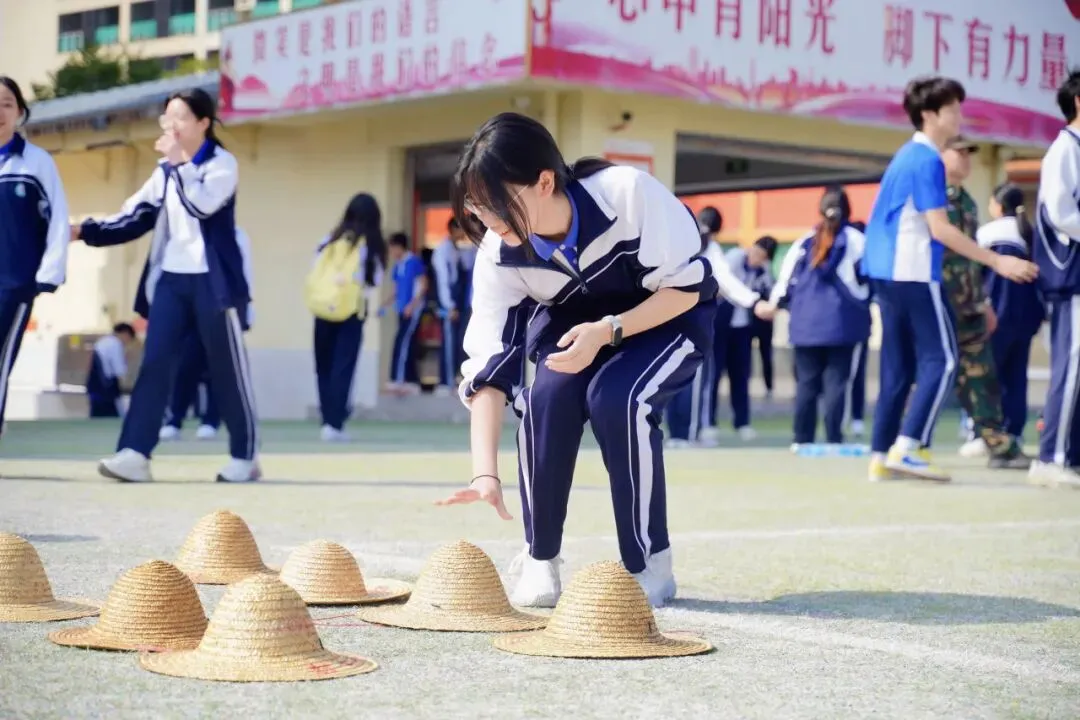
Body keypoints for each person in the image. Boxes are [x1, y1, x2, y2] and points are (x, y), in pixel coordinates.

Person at [436, 112, 720, 608]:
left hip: (666, 318)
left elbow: (686, 287)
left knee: (619, 399)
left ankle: (651, 564)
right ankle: (539, 557)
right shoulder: (498, 253)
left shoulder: (629, 194)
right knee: (545, 396)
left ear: (543, 182)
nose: (486, 219)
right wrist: (485, 474)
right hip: (572, 329)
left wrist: (610, 329)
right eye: (477, 208)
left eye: (495, 204)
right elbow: (489, 365)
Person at [75, 88, 261, 483]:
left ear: (203, 123)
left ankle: (245, 455)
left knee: (226, 368)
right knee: (155, 363)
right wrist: (82, 230)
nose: (170, 126)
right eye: (167, 118)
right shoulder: (165, 171)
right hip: (172, 282)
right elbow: (134, 216)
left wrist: (178, 163)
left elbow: (200, 206)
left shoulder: (221, 165)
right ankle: (135, 453)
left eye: (179, 118)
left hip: (215, 282)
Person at [862, 76, 1037, 484]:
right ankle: (910, 448)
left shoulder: (905, 155)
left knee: (899, 368)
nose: (959, 117)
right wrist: (997, 262)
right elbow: (940, 229)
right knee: (942, 359)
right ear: (929, 115)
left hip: (887, 273)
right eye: (953, 109)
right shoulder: (926, 159)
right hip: (913, 271)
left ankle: (881, 455)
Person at [940, 136, 1030, 469]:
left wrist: (984, 302)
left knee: (983, 375)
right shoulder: (930, 195)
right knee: (925, 371)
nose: (966, 159)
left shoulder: (966, 201)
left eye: (969, 154)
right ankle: (905, 442)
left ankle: (997, 443)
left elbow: (971, 262)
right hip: (936, 299)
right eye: (959, 153)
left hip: (969, 304)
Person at [770, 187, 870, 447]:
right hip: (844, 322)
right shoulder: (858, 240)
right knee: (837, 383)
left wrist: (775, 306)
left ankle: (801, 439)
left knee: (806, 384)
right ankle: (834, 438)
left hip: (805, 323)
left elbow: (784, 284)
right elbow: (870, 279)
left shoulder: (804, 241)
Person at [0, 77, 70, 441]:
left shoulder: (36, 163)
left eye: (7, 103)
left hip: (13, 283)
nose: (0, 111)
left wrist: (49, 272)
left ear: (20, 113)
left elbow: (58, 218)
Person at [666, 208, 771, 448]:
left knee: (671, 376)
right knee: (695, 378)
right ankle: (688, 434)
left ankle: (676, 433)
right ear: (717, 231)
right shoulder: (711, 250)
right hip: (694, 319)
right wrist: (754, 302)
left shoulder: (674, 239)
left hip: (665, 317)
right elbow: (727, 281)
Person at [1030, 70, 1080, 488]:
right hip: (1073, 277)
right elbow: (1060, 212)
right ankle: (1052, 457)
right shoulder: (1064, 149)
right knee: (1072, 363)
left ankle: (1070, 454)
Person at [160, 226, 254, 440]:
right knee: (185, 365)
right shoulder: (184, 232)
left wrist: (247, 307)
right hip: (190, 306)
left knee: (219, 366)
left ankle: (211, 419)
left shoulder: (237, 235)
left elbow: (245, 271)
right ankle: (175, 418)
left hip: (222, 305)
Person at [308, 193, 386, 442]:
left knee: (324, 367)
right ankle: (335, 424)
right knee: (343, 367)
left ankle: (326, 418)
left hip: (323, 309)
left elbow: (314, 271)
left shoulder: (329, 240)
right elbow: (375, 283)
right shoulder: (370, 246)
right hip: (351, 312)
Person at [977, 183, 1045, 445]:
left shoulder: (987, 233)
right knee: (1016, 378)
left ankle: (985, 434)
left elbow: (977, 276)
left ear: (997, 204)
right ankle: (1013, 433)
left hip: (995, 315)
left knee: (989, 376)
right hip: (1025, 319)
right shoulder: (1030, 234)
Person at [701, 235, 777, 443]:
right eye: (755, 252)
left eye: (761, 257)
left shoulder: (763, 270)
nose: (755, 258)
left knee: (741, 375)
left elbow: (768, 291)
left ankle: (742, 422)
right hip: (720, 324)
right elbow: (723, 284)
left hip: (742, 328)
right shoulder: (734, 258)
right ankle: (709, 422)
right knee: (714, 375)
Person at [385, 232, 427, 395]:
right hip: (401, 310)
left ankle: (399, 379)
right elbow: (396, 289)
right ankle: (410, 380)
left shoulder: (414, 262)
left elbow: (422, 285)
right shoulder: (398, 265)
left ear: (399, 247)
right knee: (405, 343)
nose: (391, 253)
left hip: (412, 311)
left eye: (392, 248)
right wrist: (385, 304)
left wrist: (412, 305)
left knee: (402, 343)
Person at [430, 218, 461, 395]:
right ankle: (445, 382)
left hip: (453, 301)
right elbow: (442, 280)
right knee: (448, 342)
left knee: (454, 341)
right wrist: (449, 305)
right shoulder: (443, 250)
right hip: (446, 303)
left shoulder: (454, 249)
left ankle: (449, 380)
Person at [845, 219, 869, 438]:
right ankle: (850, 420)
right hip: (847, 321)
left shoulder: (862, 257)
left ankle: (855, 418)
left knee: (854, 373)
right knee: (848, 375)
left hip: (857, 322)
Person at [86, 323, 136, 418]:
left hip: (95, 386)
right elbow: (119, 370)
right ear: (125, 334)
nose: (127, 343)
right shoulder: (115, 344)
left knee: (97, 417)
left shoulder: (103, 341)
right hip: (106, 389)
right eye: (129, 339)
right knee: (112, 418)